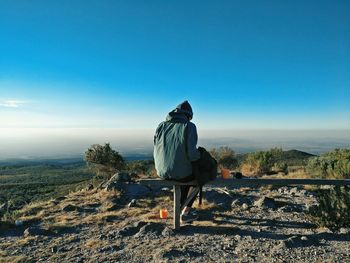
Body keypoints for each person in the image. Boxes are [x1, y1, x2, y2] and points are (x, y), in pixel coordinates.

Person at [153, 100, 201, 223]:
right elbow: (192, 155)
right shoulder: (189, 126)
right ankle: (186, 212)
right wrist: (200, 156)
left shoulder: (161, 126)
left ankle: (181, 207)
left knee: (183, 172)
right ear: (189, 115)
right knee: (198, 178)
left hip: (161, 171)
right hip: (180, 173)